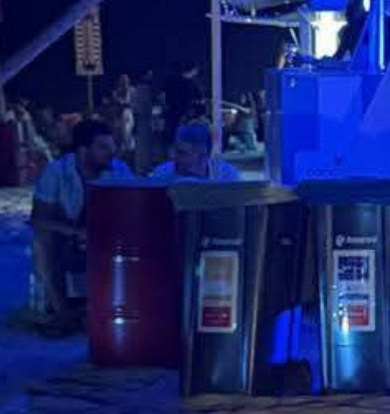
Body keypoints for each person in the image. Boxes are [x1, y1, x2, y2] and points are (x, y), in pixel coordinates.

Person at [29, 116, 131, 331]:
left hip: (107, 239)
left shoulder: (119, 170)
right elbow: (38, 219)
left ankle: (103, 309)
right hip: (68, 239)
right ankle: (63, 313)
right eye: (103, 147)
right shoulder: (56, 172)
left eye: (112, 146)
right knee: (42, 241)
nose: (111, 152)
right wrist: (77, 231)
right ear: (84, 150)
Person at [150, 118, 242, 184]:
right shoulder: (162, 174)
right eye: (175, 151)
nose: (173, 157)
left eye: (182, 152)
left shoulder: (226, 176)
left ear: (202, 155)